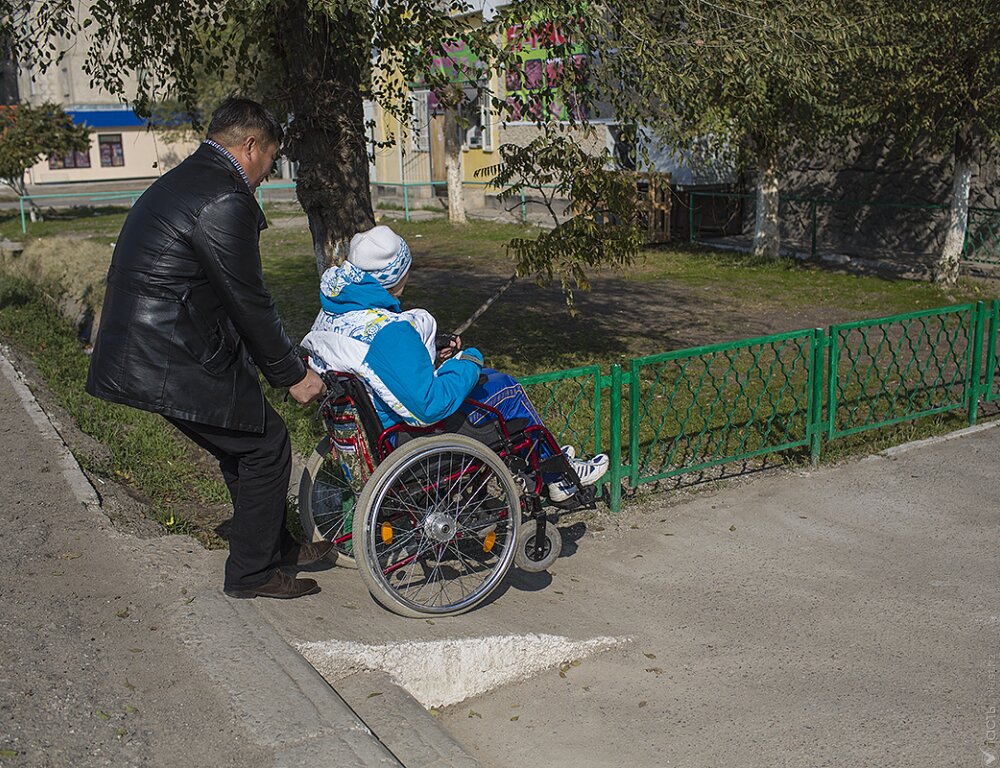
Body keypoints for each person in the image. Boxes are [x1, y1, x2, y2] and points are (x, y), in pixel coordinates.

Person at [86, 98, 328, 600]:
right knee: (266, 445)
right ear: (251, 146)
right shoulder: (225, 198)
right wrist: (292, 375)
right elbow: (249, 301)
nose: (266, 174)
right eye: (270, 161)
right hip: (168, 352)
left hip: (162, 343)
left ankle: (271, 547)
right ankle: (252, 573)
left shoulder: (194, 178)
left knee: (243, 440)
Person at [300, 225, 609, 502]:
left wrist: (429, 348)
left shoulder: (333, 313)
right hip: (404, 438)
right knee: (504, 388)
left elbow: (379, 366)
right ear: (397, 276)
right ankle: (557, 477)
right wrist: (468, 361)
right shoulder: (389, 333)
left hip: (369, 427)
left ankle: (548, 459)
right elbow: (429, 406)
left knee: (488, 385)